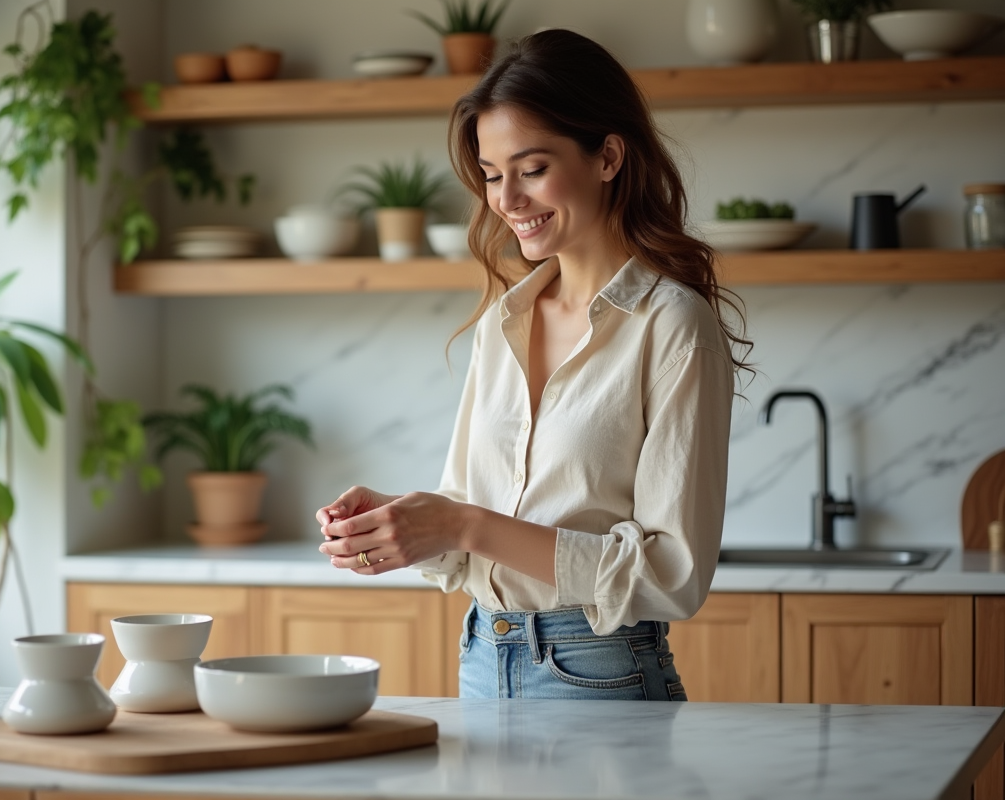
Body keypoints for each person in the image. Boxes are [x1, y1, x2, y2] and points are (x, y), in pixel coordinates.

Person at [316, 28, 750, 701]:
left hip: (600, 670)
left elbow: (671, 575)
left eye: (532, 168)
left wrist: (462, 525)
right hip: (482, 656)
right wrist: (407, 523)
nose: (506, 200)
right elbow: (472, 518)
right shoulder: (504, 321)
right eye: (492, 175)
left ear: (608, 157)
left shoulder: (671, 325)